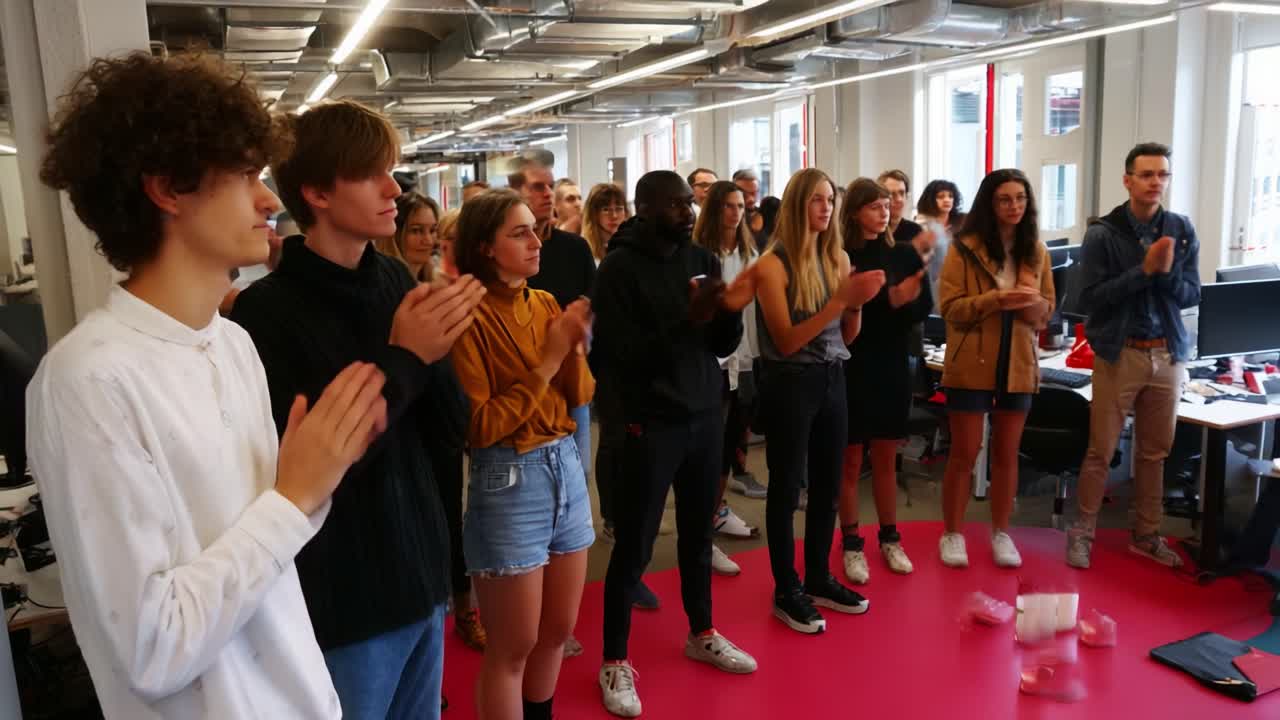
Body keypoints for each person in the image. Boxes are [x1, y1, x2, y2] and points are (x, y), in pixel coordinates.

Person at [31, 52, 388, 719]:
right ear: (168, 188)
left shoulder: (234, 343)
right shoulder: (87, 380)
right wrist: (295, 495)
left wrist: (316, 483)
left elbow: (272, 559)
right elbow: (151, 650)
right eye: (246, 175)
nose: (269, 200)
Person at [231, 100, 487, 719]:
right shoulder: (266, 314)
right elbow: (321, 471)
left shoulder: (398, 282)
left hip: (423, 578)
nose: (393, 188)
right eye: (372, 173)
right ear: (317, 192)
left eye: (391, 170)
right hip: (346, 601)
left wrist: (443, 351)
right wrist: (404, 356)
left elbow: (452, 432)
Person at [593, 170, 757, 718]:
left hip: (704, 413)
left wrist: (723, 313)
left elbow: (720, 345)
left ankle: (702, 631)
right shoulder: (619, 268)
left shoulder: (701, 260)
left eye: (690, 202)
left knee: (696, 535)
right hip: (650, 421)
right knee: (636, 544)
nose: (688, 211)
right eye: (675, 204)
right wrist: (685, 320)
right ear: (645, 208)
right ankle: (614, 659)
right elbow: (616, 357)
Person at [449, 189, 595, 720]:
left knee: (557, 631)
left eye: (536, 228)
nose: (537, 241)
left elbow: (578, 395)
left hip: (564, 467)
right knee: (512, 647)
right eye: (520, 232)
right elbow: (480, 427)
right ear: (486, 247)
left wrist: (573, 346)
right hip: (509, 479)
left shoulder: (545, 303)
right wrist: (552, 356)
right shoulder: (468, 316)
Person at [752, 168, 885, 634]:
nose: (826, 208)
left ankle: (818, 577)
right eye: (816, 200)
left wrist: (856, 305)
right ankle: (786, 588)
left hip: (832, 377)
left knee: (828, 487)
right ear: (796, 206)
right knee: (787, 488)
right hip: (789, 381)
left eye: (830, 199)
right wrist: (840, 301)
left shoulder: (838, 258)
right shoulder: (771, 264)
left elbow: (847, 335)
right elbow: (786, 341)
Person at [1066, 142, 1201, 570]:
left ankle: (1146, 535)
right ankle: (1082, 533)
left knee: (1154, 454)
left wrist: (1164, 275)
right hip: (1120, 353)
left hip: (1168, 353)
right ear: (1128, 180)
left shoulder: (1180, 228)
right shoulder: (1103, 233)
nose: (1156, 182)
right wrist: (1143, 272)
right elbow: (1089, 300)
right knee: (1100, 451)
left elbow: (1192, 294)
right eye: (1147, 175)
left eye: (1163, 174)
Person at [937, 168, 1054, 570]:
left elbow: (1047, 311)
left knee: (1007, 454)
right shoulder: (964, 248)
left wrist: (1032, 305)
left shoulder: (1035, 250)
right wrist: (995, 300)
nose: (1014, 206)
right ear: (990, 203)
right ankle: (953, 532)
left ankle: (1001, 531)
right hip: (971, 360)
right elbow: (950, 309)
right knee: (965, 452)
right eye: (1005, 199)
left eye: (1021, 198)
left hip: (1018, 360)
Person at [837, 178, 932, 585]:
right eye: (875, 205)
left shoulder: (903, 253)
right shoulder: (841, 255)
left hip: (893, 361)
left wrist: (904, 300)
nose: (885, 210)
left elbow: (922, 306)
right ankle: (852, 542)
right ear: (856, 211)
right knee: (851, 458)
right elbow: (843, 309)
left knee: (887, 456)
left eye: (888, 204)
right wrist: (890, 300)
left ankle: (890, 537)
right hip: (854, 362)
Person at [509, 160, 597, 505]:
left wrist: (580, 325)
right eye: (537, 187)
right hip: (523, 379)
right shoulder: (509, 253)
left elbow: (592, 303)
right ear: (515, 193)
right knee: (529, 479)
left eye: (550, 186)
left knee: (579, 472)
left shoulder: (574, 248)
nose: (547, 194)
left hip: (570, 376)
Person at [692, 180, 765, 577]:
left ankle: (716, 513)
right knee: (708, 452)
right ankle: (702, 533)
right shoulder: (701, 256)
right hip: (714, 365)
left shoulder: (751, 252)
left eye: (740, 205)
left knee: (731, 448)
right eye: (728, 206)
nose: (736, 213)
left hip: (745, 360)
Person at [916, 179, 965, 312]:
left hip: (958, 283)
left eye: (950, 196)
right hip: (932, 282)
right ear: (931, 199)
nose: (947, 200)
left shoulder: (961, 222)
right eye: (941, 196)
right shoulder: (922, 223)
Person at [375, 191, 441, 282]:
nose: (428, 241)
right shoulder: (382, 286)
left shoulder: (436, 280)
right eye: (416, 230)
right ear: (394, 235)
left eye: (432, 230)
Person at [582, 182, 629, 266]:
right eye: (606, 210)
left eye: (619, 209)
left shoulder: (632, 246)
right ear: (594, 214)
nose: (614, 216)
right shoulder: (584, 249)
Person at [733, 169, 768, 249]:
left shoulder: (767, 214)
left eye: (753, 193)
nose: (750, 199)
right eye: (744, 194)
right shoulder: (729, 219)